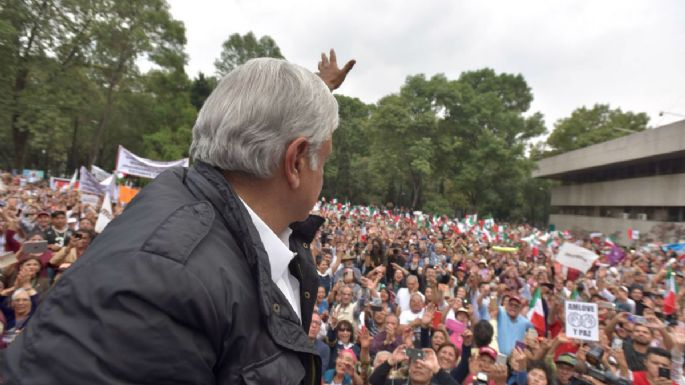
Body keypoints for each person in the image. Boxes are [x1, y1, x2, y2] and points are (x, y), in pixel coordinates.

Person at [4, 52, 356, 383]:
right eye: (322, 160)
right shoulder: (161, 287)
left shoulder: (197, 209)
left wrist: (316, 91)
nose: (322, 175)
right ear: (295, 163)